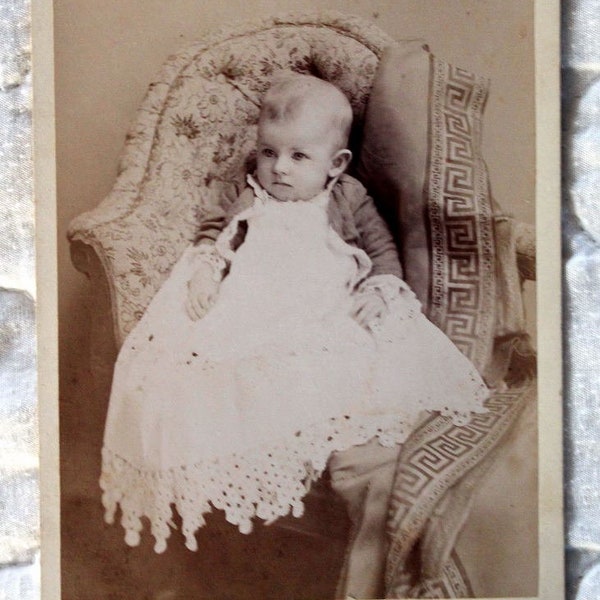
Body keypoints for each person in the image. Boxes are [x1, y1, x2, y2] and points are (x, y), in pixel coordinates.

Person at [101, 73, 488, 598]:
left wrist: (382, 287)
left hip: (323, 309)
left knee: (354, 358)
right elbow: (216, 231)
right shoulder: (251, 192)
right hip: (256, 310)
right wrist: (207, 269)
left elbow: (381, 253)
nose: (279, 168)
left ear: (336, 163)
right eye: (269, 152)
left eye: (298, 157)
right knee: (222, 370)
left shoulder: (347, 198)